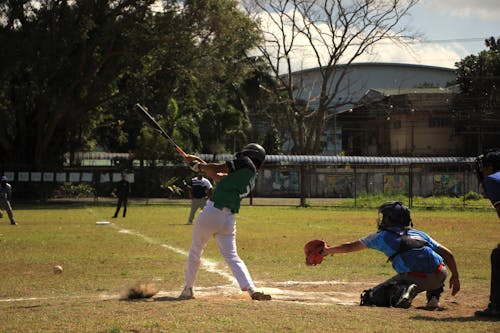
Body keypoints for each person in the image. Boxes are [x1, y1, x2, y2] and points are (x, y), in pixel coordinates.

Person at [321, 201, 460, 309]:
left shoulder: (381, 236)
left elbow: (349, 247)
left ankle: (403, 290)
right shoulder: (420, 234)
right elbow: (448, 254)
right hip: (441, 273)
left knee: (370, 298)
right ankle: (433, 298)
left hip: (416, 278)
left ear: (390, 219)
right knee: (430, 263)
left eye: (385, 217)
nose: (382, 220)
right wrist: (456, 276)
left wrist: (327, 250)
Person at [178, 143, 271, 301]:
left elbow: (216, 169)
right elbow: (218, 176)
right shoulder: (251, 175)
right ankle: (251, 289)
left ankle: (188, 288)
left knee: (196, 250)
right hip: (228, 220)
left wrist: (199, 166)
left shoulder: (245, 162)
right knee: (232, 257)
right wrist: (197, 163)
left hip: (212, 213)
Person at [474, 151, 500, 318]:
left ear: (490, 168)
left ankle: (496, 306)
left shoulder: (492, 180)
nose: (482, 171)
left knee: (498, 256)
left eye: (484, 167)